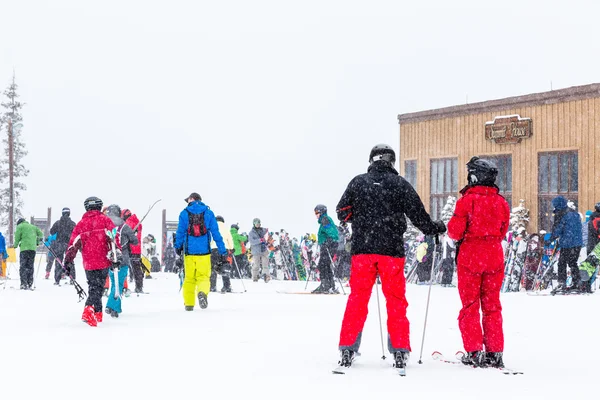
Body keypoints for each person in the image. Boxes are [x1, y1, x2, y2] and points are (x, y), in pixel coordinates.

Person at [335, 144, 446, 370]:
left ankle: (347, 347)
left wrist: (362, 216)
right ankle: (399, 349)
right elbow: (418, 215)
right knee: (395, 301)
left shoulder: (358, 182)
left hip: (363, 250)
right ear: (391, 162)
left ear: (371, 160)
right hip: (391, 252)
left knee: (357, 299)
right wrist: (434, 228)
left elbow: (341, 212)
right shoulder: (400, 184)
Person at [447, 156, 510, 368]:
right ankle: (495, 351)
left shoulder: (467, 200)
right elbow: (503, 230)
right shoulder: (501, 202)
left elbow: (455, 232)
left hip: (470, 257)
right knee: (492, 306)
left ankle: (474, 351)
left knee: (470, 306)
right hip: (494, 255)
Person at [64, 197, 116, 327]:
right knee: (98, 287)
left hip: (89, 262)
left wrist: (68, 260)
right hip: (104, 259)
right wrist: (117, 255)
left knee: (94, 286)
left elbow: (73, 243)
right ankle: (88, 311)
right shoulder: (106, 221)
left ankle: (98, 313)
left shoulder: (81, 224)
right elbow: (114, 238)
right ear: (99, 207)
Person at [174, 192, 228, 311]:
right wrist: (223, 251)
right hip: (204, 252)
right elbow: (216, 234)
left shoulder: (184, 213)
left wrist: (178, 247)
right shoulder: (208, 213)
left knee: (189, 278)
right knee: (203, 277)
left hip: (189, 252)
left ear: (192, 199)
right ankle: (202, 293)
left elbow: (180, 232)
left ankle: (189, 304)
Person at [104, 204, 139, 318]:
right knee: (118, 283)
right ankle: (111, 306)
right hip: (122, 259)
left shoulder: (105, 226)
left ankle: (115, 307)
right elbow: (135, 241)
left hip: (109, 258)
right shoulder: (124, 226)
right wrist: (132, 235)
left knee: (114, 283)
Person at [546, 195, 583, 292]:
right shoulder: (575, 213)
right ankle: (577, 282)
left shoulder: (562, 214)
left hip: (567, 244)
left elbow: (558, 229)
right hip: (577, 243)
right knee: (573, 263)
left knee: (562, 263)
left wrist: (551, 239)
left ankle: (561, 283)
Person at [312, 204, 339, 293]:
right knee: (325, 264)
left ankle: (325, 285)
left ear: (322, 212)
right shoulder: (324, 220)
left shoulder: (325, 219)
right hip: (327, 245)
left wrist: (328, 242)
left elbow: (332, 232)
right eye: (315, 213)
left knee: (322, 264)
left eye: (317, 212)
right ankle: (330, 285)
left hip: (329, 245)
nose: (316, 215)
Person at [45, 207, 76, 284]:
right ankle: (72, 278)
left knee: (58, 261)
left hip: (59, 243)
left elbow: (52, 232)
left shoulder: (58, 223)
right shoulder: (72, 224)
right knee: (70, 261)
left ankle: (57, 279)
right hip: (69, 244)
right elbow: (76, 233)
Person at [14, 218, 44, 290]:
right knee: (30, 266)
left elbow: (17, 236)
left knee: (23, 266)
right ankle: (30, 283)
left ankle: (24, 284)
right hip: (32, 249)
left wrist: (15, 245)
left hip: (24, 249)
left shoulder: (20, 226)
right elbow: (41, 234)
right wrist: (37, 242)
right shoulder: (33, 227)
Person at [121, 209, 146, 293]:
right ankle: (139, 286)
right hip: (137, 248)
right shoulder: (137, 222)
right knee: (137, 268)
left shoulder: (128, 223)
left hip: (130, 248)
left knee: (128, 268)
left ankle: (130, 287)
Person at [210, 215, 235, 292]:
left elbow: (209, 238)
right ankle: (226, 286)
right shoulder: (226, 228)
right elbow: (229, 239)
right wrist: (231, 248)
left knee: (213, 267)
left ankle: (212, 286)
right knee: (224, 267)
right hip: (224, 249)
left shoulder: (212, 227)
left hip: (214, 249)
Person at [248, 218, 271, 282]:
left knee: (265, 264)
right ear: (254, 224)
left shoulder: (263, 230)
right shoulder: (251, 233)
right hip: (256, 251)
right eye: (256, 223)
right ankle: (255, 277)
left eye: (259, 223)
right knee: (256, 265)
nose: (258, 225)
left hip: (263, 250)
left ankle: (267, 276)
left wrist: (268, 233)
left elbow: (267, 235)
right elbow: (252, 242)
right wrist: (260, 240)